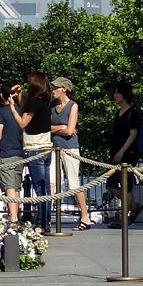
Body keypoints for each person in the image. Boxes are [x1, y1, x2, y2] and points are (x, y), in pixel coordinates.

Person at [8, 72, 53, 234]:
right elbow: (28, 106)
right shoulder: (44, 101)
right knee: (45, 189)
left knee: (40, 190)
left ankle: (41, 224)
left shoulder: (34, 102)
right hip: (46, 147)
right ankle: (45, 222)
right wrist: (20, 96)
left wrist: (12, 107)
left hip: (35, 148)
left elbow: (22, 122)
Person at [50, 77, 92, 231]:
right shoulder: (52, 107)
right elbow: (50, 128)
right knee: (51, 182)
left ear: (64, 89)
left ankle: (85, 216)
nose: (53, 90)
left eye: (55, 88)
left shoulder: (73, 106)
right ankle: (46, 217)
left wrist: (56, 128)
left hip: (69, 149)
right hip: (54, 148)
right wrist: (60, 126)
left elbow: (69, 131)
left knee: (73, 184)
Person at [106, 81, 143, 229]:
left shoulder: (133, 113)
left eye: (117, 92)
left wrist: (122, 151)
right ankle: (134, 206)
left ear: (124, 94)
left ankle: (124, 217)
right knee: (111, 185)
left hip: (127, 154)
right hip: (115, 153)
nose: (115, 95)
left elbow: (133, 135)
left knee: (126, 186)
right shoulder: (118, 112)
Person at [0, 83, 24, 227]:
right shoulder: (21, 111)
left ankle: (13, 219)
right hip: (19, 154)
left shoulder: (0, 113)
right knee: (16, 188)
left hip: (5, 154)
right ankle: (16, 215)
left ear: (1, 96)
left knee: (9, 187)